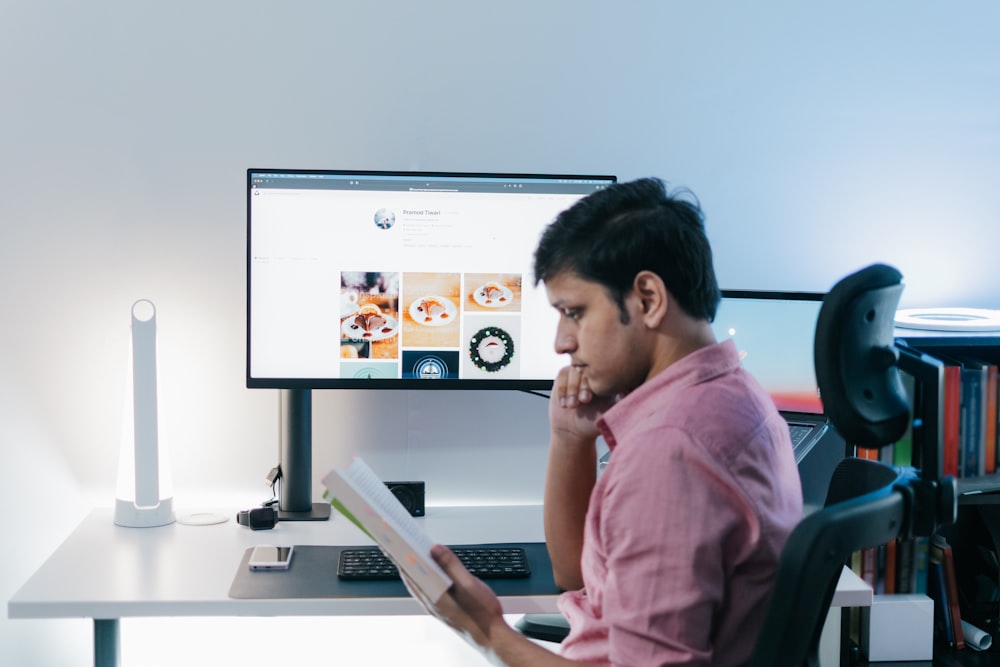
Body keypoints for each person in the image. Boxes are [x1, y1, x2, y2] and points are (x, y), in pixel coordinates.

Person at [406, 177, 804, 666]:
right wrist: (570, 440)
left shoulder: (671, 449)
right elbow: (578, 576)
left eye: (574, 312)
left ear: (648, 299)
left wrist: (489, 632)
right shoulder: (731, 394)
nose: (561, 342)